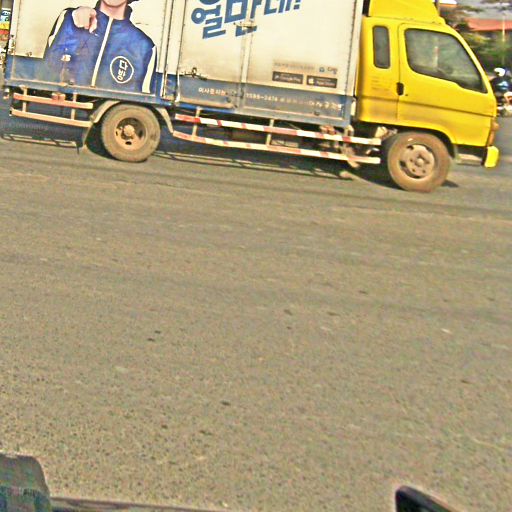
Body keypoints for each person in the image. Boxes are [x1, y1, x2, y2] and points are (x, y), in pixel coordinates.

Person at [43, 0, 156, 94]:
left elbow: (140, 103)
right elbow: (49, 70)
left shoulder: (145, 46)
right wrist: (74, 28)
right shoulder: (70, 18)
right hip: (64, 108)